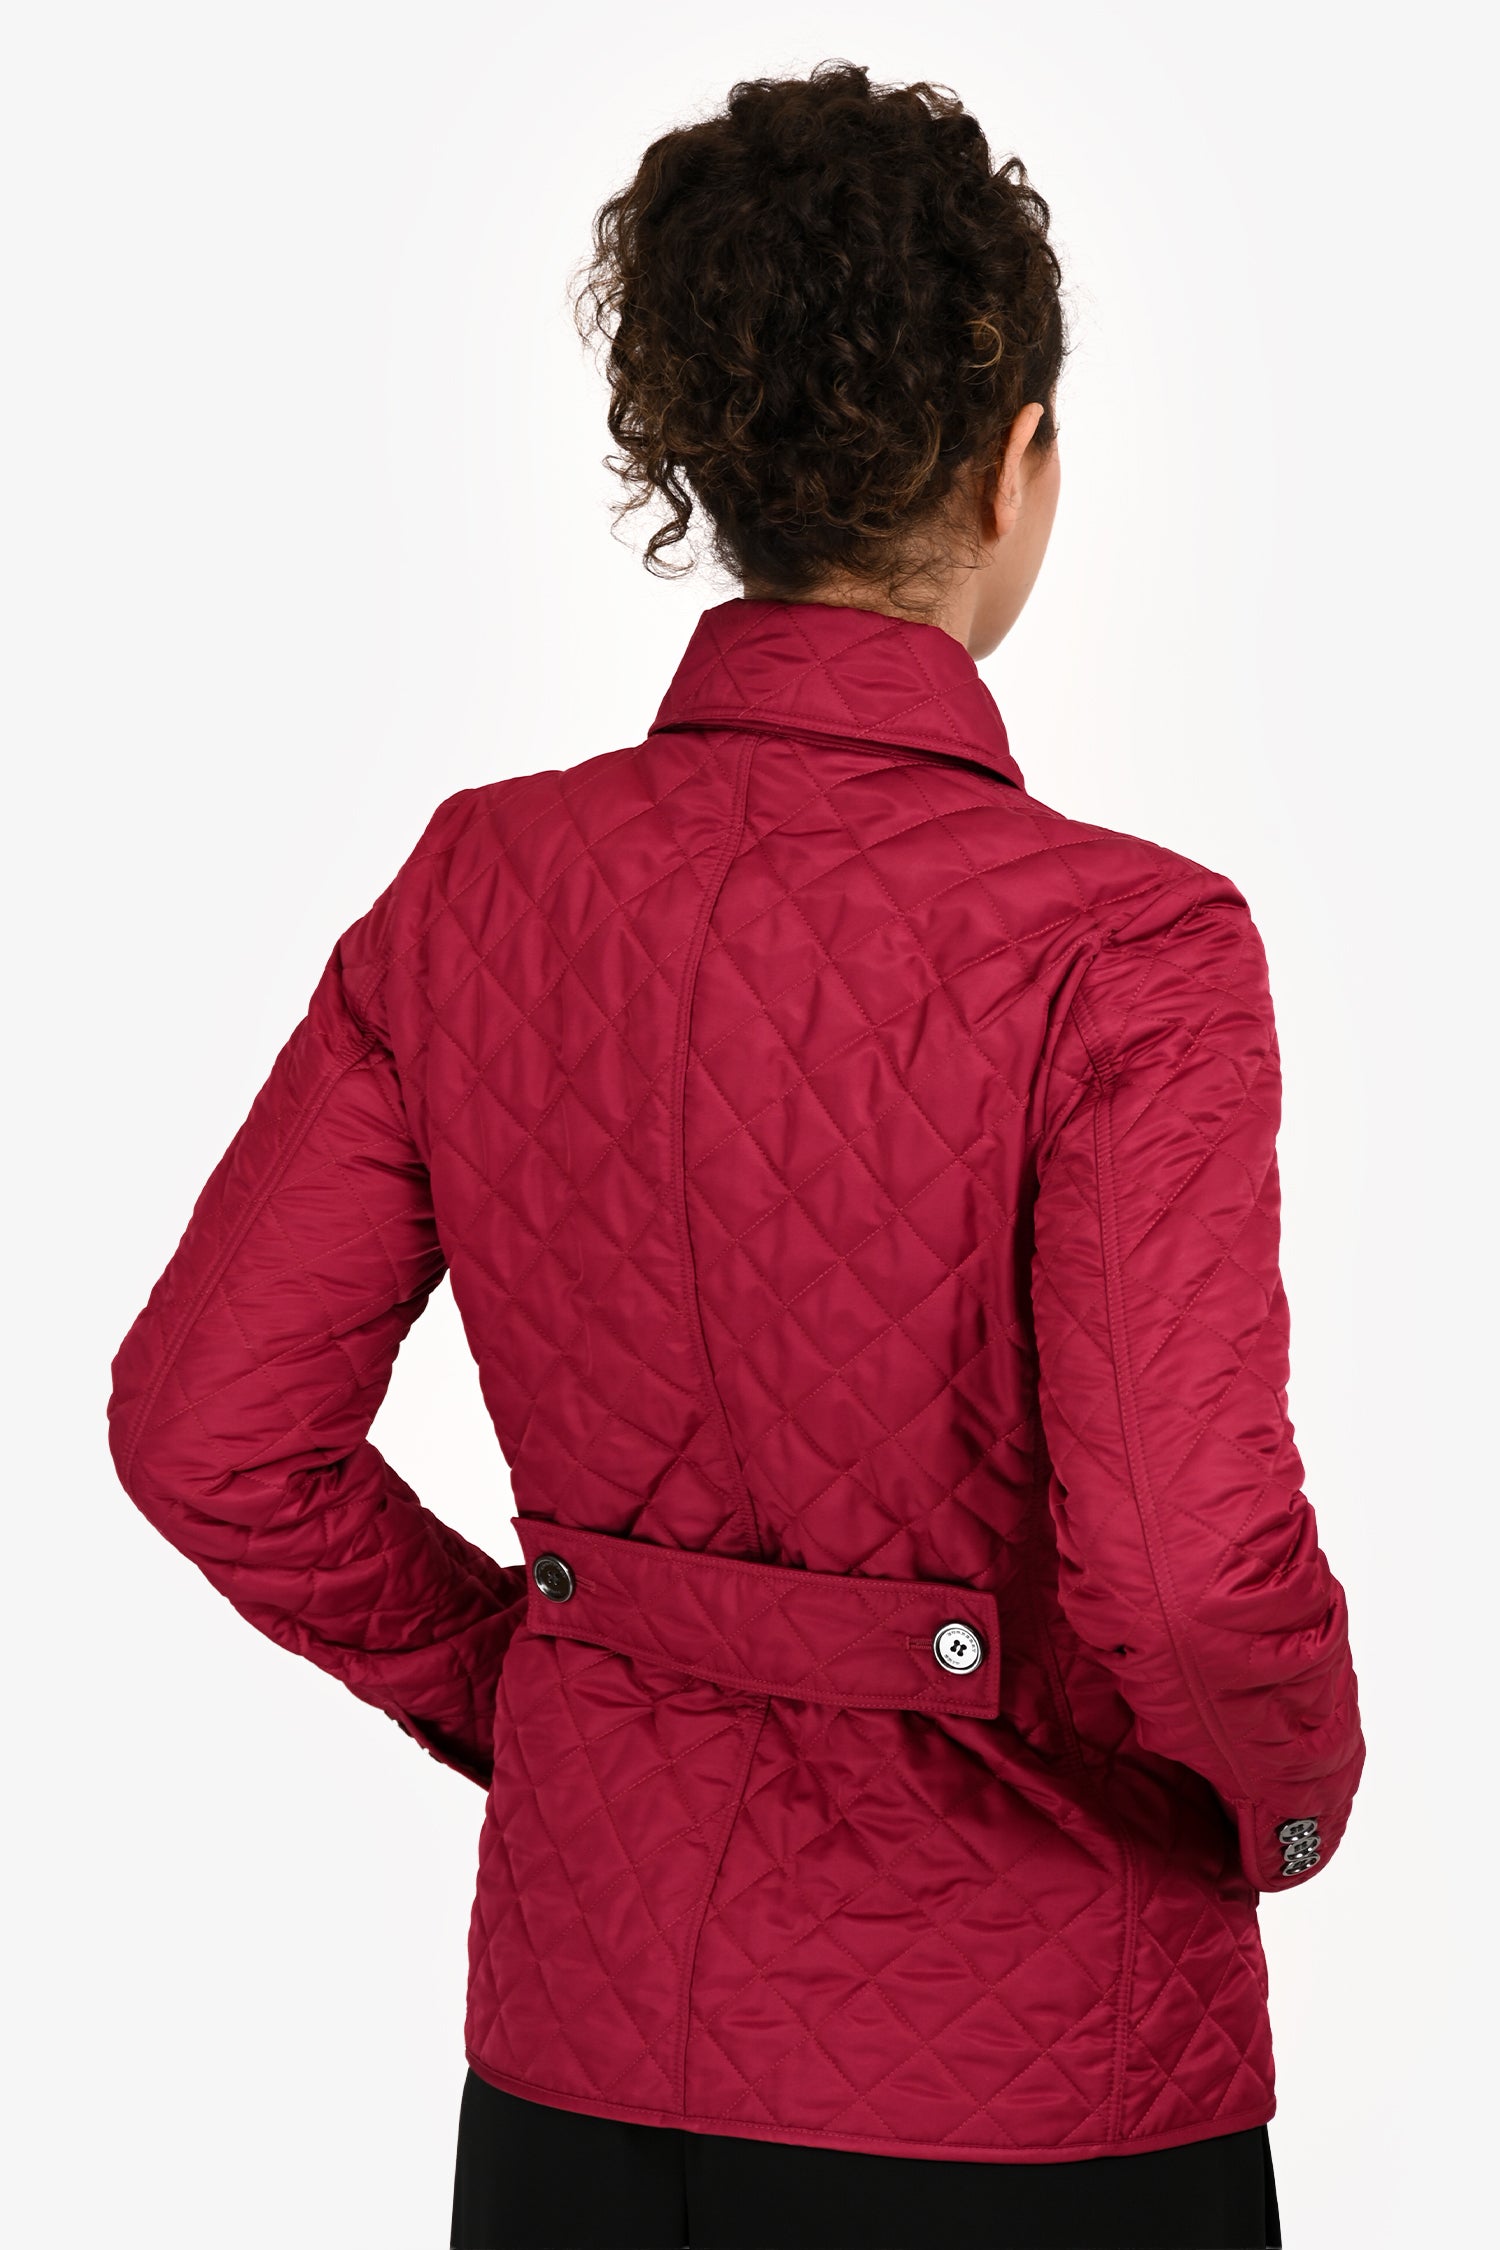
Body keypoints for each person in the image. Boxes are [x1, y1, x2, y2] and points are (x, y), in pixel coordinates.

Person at [108, 61, 1363, 2250]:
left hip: (582, 2079)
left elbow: (207, 1427)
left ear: (706, 458)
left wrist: (541, 1678)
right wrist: (1291, 1799)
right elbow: (1181, 1571)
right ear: (1018, 463)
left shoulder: (476, 891)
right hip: (1036, 2087)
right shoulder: (1130, 949)